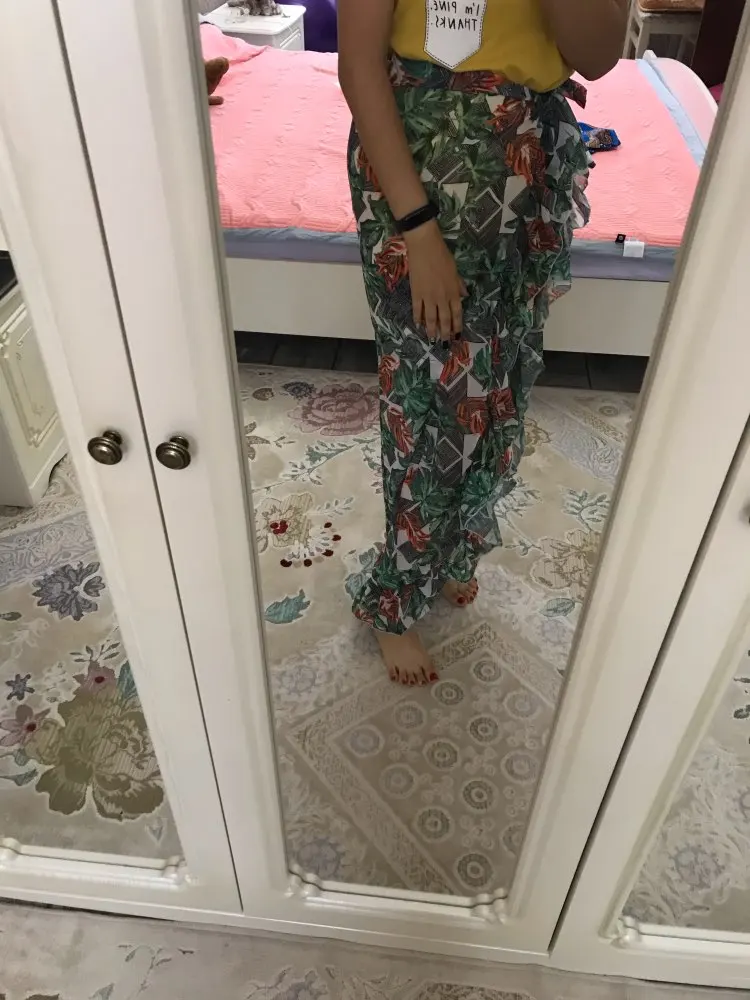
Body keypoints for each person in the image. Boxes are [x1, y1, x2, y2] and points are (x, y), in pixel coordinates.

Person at [339, 0, 627, 685]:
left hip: (528, 159)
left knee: (493, 383)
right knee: (427, 399)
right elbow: (359, 65)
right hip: (427, 162)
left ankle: (448, 546)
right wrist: (418, 230)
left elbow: (596, 57)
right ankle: (393, 601)